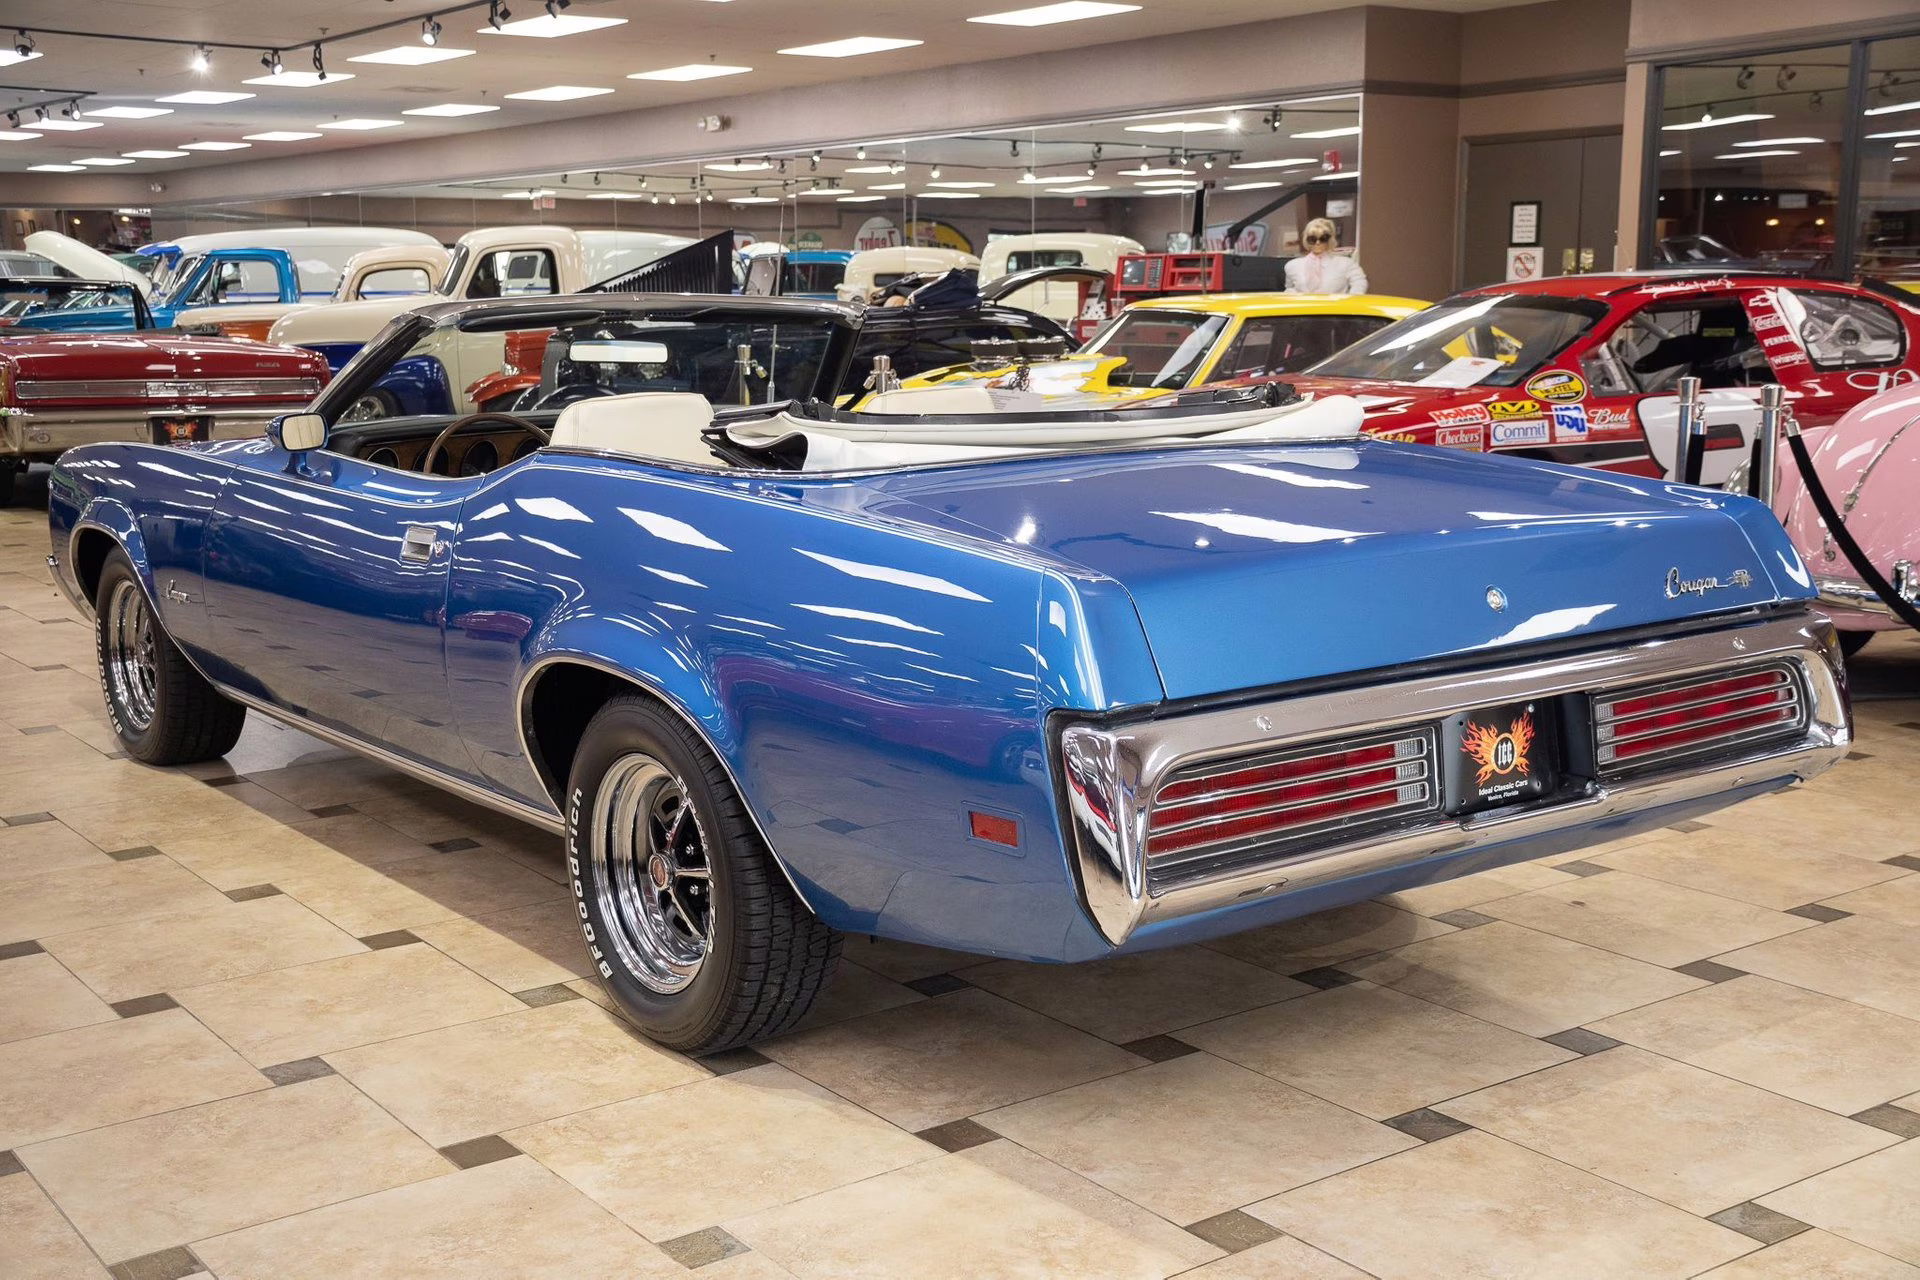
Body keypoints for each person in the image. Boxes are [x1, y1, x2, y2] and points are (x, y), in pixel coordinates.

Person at [1285, 218, 1369, 294]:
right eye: (1312, 239)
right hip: (1303, 309)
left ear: (1330, 239)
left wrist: (1350, 304)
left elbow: (1359, 283)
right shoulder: (1292, 266)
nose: (1317, 243)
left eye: (1323, 238)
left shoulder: (1346, 264)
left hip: (1336, 309)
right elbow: (1290, 288)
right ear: (1306, 239)